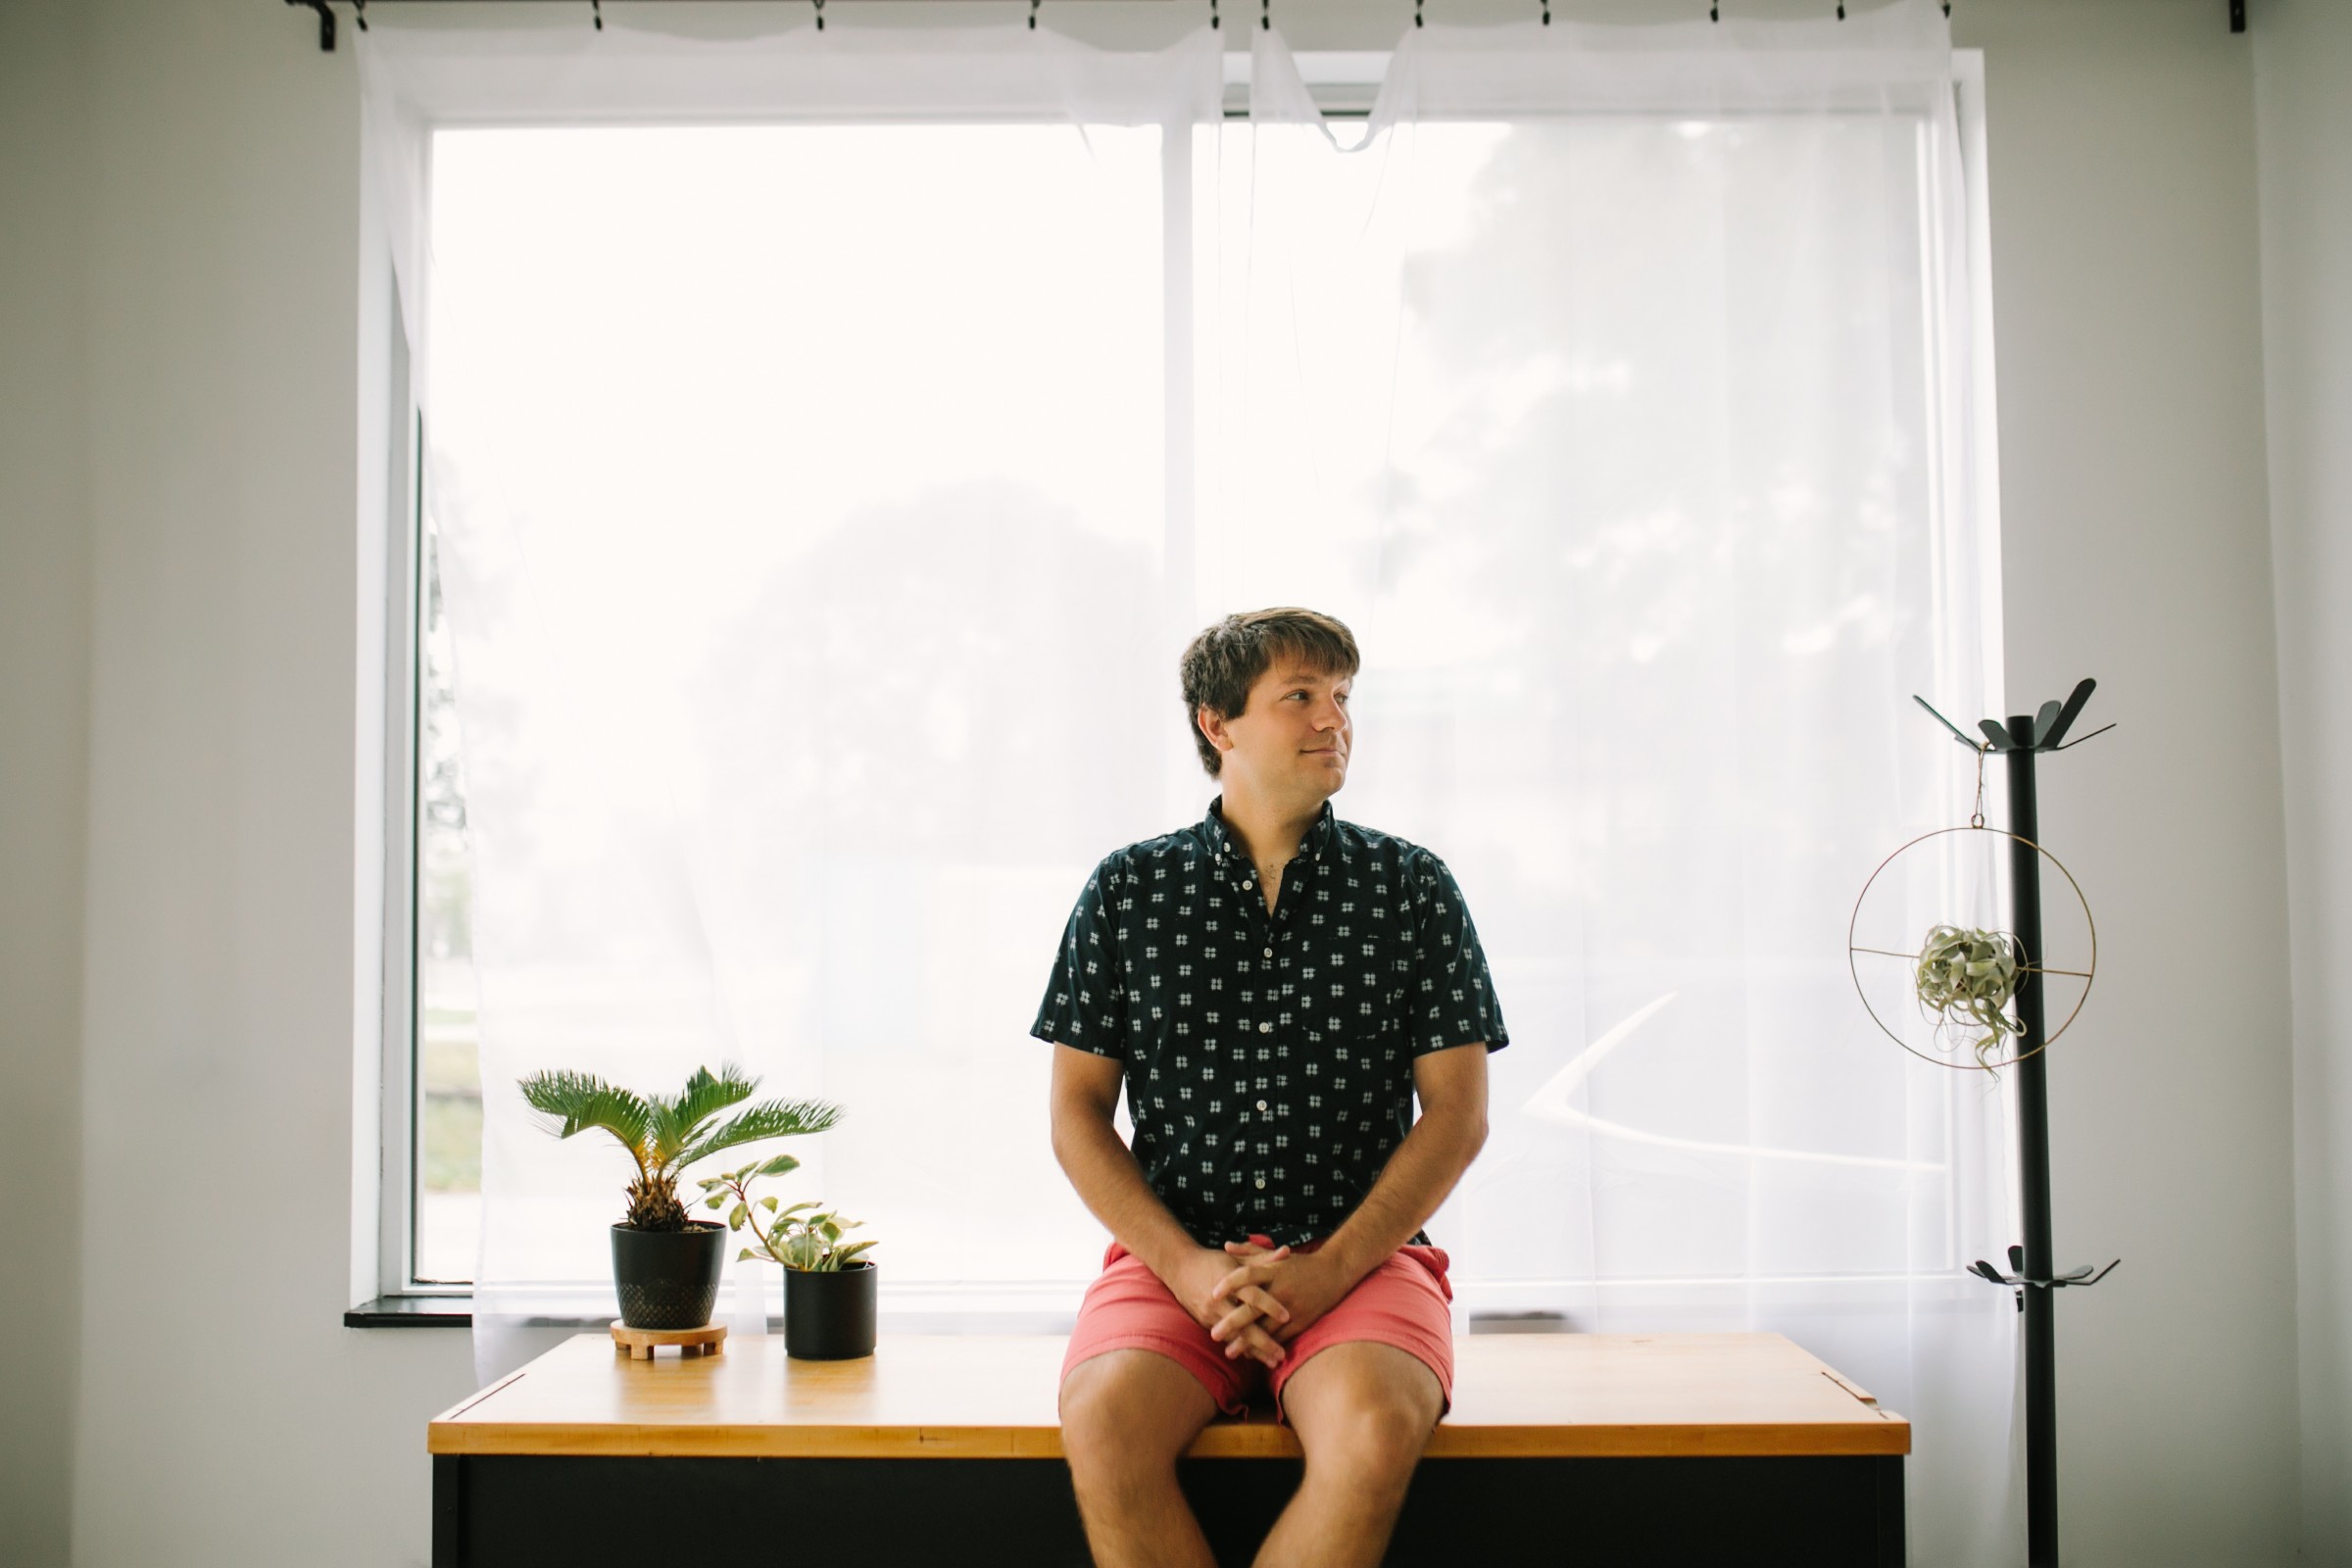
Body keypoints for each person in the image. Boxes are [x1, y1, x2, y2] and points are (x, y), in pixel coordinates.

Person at [1032, 607, 1509, 1568]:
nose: (1334, 717)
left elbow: (1457, 1117)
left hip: (1365, 1262)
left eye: (1342, 695)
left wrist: (1327, 1268)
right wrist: (1187, 1266)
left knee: (1376, 1429)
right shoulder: (1126, 890)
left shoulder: (1415, 887)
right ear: (1218, 723)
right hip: (1173, 1265)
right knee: (1102, 1421)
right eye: (1301, 695)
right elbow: (1078, 1114)